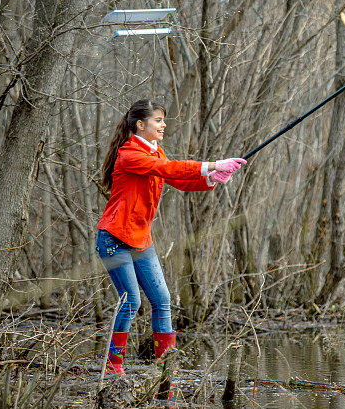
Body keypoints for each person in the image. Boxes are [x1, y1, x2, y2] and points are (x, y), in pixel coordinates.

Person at [96, 99, 246, 387]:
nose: (163, 125)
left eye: (163, 120)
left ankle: (167, 367)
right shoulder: (130, 155)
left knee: (162, 300)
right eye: (158, 120)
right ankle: (114, 366)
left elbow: (177, 178)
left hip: (141, 239)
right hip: (114, 237)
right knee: (130, 301)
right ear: (141, 125)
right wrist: (211, 163)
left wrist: (211, 178)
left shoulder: (156, 152)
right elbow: (172, 169)